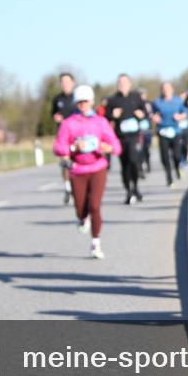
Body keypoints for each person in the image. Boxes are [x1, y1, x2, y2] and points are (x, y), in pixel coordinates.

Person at [53, 85, 121, 259]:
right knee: (81, 209)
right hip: (78, 170)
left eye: (86, 101)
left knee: (95, 206)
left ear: (91, 102)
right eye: (80, 102)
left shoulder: (100, 122)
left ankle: (96, 243)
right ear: (77, 103)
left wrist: (108, 147)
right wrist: (73, 147)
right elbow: (58, 147)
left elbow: (116, 147)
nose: (83, 104)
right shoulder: (69, 123)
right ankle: (83, 218)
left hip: (98, 168)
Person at [106, 74, 148, 204]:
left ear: (130, 84)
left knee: (133, 161)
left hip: (134, 136)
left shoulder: (136, 97)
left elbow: (145, 113)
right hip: (120, 137)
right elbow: (106, 117)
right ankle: (128, 190)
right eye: (120, 82)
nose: (122, 85)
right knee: (124, 165)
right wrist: (112, 115)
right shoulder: (112, 100)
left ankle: (135, 186)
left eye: (125, 82)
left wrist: (142, 114)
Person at [152, 81, 188, 186]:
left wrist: (181, 116)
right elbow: (152, 113)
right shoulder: (157, 102)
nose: (166, 90)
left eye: (168, 88)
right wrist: (154, 117)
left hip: (175, 131)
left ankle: (177, 168)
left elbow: (186, 112)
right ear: (161, 90)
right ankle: (169, 177)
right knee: (164, 156)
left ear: (172, 89)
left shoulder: (178, 101)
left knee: (177, 155)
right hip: (163, 131)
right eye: (164, 88)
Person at [51, 72, 77, 204]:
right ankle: (68, 187)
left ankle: (77, 186)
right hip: (63, 136)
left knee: (76, 163)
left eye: (67, 81)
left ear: (73, 83)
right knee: (65, 164)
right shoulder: (57, 99)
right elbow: (53, 114)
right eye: (62, 82)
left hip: (77, 135)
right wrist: (56, 118)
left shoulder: (78, 98)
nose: (65, 84)